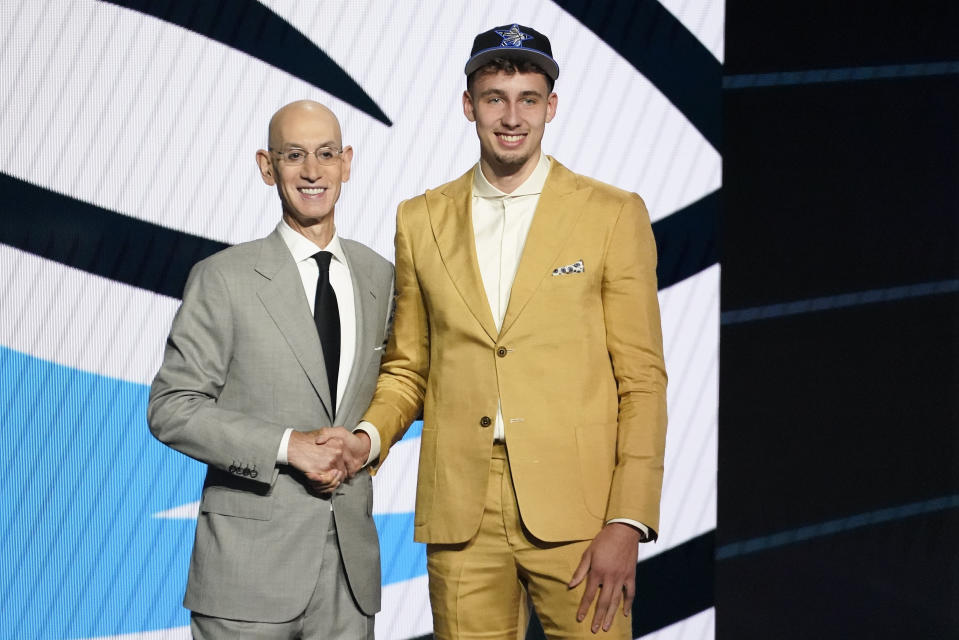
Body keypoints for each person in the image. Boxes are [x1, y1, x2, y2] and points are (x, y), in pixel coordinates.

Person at [353, 23, 669, 640]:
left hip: (580, 512)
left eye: (528, 98)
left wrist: (627, 520)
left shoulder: (611, 213)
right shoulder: (421, 218)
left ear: (551, 107)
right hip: (462, 509)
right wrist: (368, 436)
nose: (511, 116)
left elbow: (642, 380)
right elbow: (408, 366)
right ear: (468, 106)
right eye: (495, 97)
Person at [147, 100, 393, 639]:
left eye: (326, 154)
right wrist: (288, 445)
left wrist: (366, 442)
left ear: (347, 162)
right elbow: (172, 407)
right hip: (245, 575)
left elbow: (402, 389)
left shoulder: (381, 276)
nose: (312, 171)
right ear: (266, 166)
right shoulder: (223, 278)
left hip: (350, 580)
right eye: (294, 155)